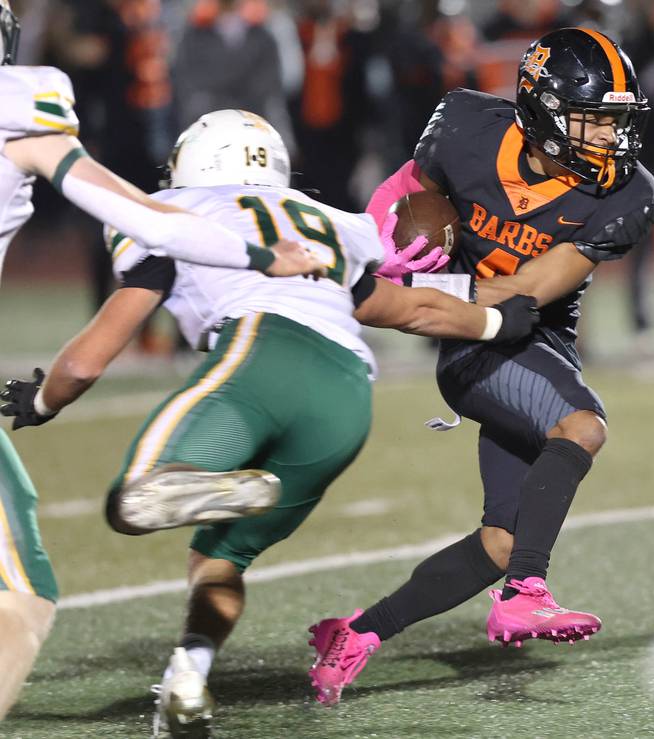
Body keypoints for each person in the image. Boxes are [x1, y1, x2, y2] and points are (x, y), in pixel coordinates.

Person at [1, 109, 540, 737]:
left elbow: (91, 357)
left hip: (259, 355)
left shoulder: (173, 212)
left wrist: (44, 401)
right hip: (344, 399)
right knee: (222, 559)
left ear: (190, 162)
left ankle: (211, 487)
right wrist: (498, 323)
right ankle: (187, 676)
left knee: (132, 501)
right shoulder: (331, 224)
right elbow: (406, 308)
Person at [308, 26, 654, 706]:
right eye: (593, 122)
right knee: (582, 425)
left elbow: (533, 286)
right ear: (543, 113)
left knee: (502, 537)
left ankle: (356, 632)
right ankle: (527, 591)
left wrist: (423, 297)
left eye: (616, 123)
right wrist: (380, 254)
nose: (609, 140)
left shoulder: (628, 194)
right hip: (475, 349)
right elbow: (390, 207)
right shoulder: (466, 127)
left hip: (529, 336)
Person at [0, 0, 324, 719]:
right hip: (326, 379)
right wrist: (264, 254)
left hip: (244, 369)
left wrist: (46, 400)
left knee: (97, 502)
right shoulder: (22, 104)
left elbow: (89, 355)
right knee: (21, 594)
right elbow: (146, 219)